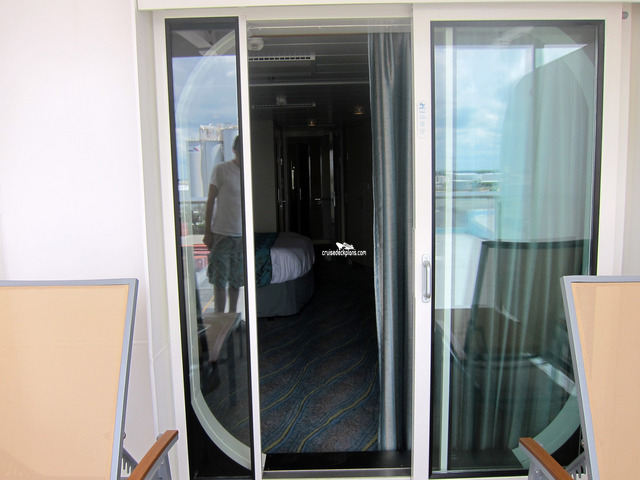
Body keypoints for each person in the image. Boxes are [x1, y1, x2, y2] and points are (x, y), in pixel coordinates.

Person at [203, 135, 244, 313]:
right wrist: (207, 232)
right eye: (240, 150)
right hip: (221, 234)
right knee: (219, 282)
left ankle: (232, 316)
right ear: (234, 150)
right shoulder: (222, 170)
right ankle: (220, 318)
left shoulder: (249, 173)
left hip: (241, 236)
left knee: (236, 282)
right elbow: (210, 200)